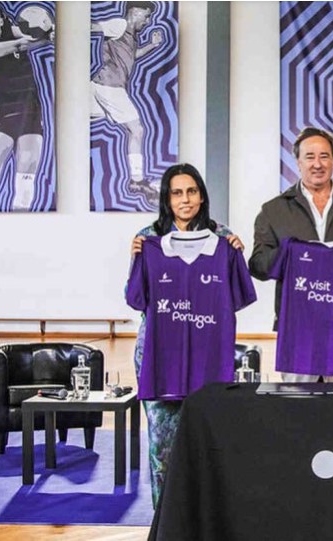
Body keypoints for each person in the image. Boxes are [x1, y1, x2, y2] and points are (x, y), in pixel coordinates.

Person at [129, 163, 244, 508]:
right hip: (160, 355)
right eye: (177, 192)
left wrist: (236, 255)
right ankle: (164, 519)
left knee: (208, 442)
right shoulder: (148, 238)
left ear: (202, 196)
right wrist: (136, 258)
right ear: (166, 198)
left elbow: (235, 299)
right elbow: (135, 298)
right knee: (162, 447)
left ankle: (204, 517)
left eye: (191, 191)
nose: (185, 199)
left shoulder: (223, 238)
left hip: (207, 357)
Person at [249, 126, 333, 382]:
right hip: (297, 329)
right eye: (310, 157)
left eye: (324, 156)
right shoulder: (273, 210)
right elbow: (257, 266)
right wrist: (288, 254)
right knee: (299, 404)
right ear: (298, 162)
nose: (317, 164)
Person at [0, 3, 53, 212]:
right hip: (2, 115)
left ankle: (20, 225)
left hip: (31, 113)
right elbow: (22, 44)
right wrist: (46, 35)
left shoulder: (15, 32)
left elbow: (29, 35)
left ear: (2, 20)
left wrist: (48, 33)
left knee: (26, 180)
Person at [91, 0, 163, 206]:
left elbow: (132, 56)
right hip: (110, 87)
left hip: (97, 87)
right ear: (136, 11)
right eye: (146, 16)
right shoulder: (120, 24)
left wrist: (152, 45)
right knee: (137, 130)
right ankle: (137, 180)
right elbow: (94, 27)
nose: (147, 21)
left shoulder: (128, 35)